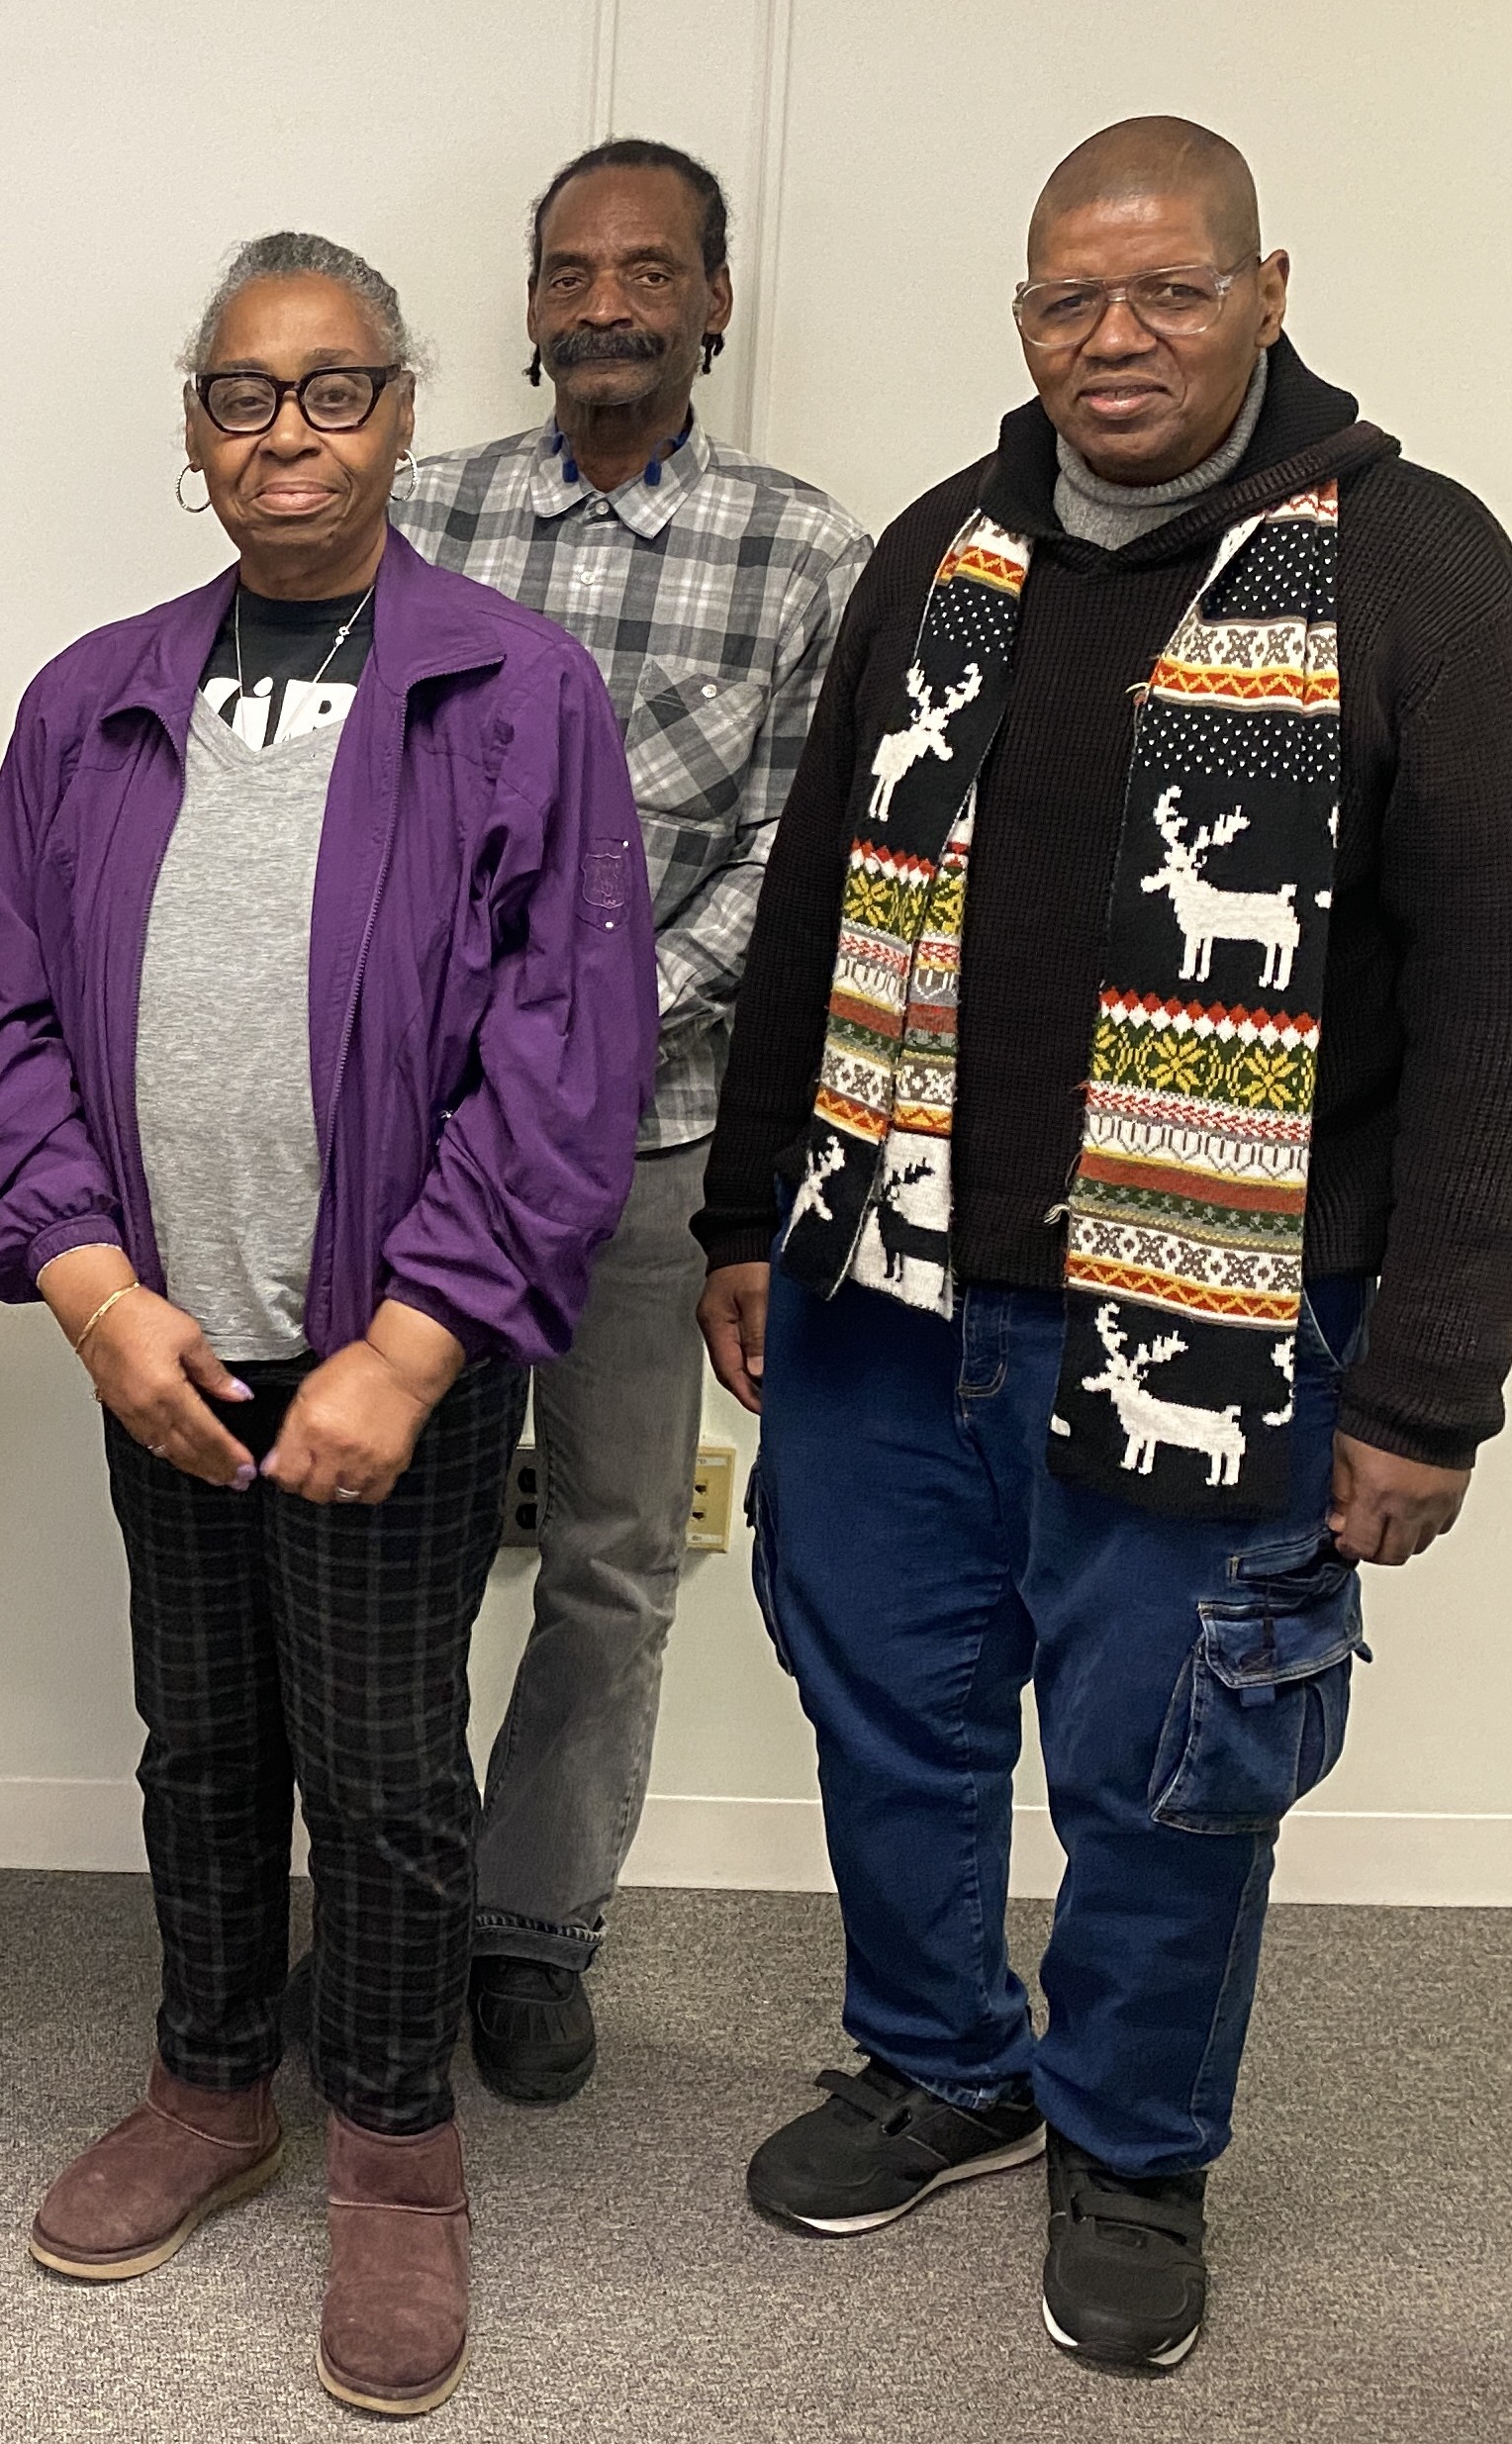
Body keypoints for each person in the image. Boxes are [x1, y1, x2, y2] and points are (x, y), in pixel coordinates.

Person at [696, 119, 1512, 2372]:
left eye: (1168, 291)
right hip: (887, 1289)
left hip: (1224, 1315)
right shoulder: (946, 551)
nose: (1115, 338)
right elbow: (813, 906)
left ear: (1265, 288)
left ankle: (1129, 2131)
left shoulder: (1411, 569)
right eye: (1067, 297)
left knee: (1170, 1756)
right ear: (1025, 314)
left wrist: (1431, 1382)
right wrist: (745, 1211)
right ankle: (941, 2054)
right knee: (891, 1716)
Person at [0, 234, 655, 2418]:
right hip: (157, 1338)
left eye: (330, 389)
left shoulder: (511, 688)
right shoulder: (91, 697)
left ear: (401, 411)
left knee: (380, 1770)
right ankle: (209, 2081)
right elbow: (7, 1023)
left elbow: (568, 1043)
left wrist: (418, 1340)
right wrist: (85, 1289)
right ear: (190, 427)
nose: (285, 432)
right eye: (242, 395)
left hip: (387, 1356)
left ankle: (394, 2149)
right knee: (198, 1743)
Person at [388, 140, 869, 2103]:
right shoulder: (416, 519)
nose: (604, 302)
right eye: (569, 271)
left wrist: (579, 1026)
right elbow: (346, 820)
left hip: (647, 1141)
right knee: (399, 1540)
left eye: (645, 270)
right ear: (526, 307)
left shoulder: (802, 554)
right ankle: (402, 1897)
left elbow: (797, 857)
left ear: (711, 301)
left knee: (607, 1555)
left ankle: (527, 1922)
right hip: (411, 1139)